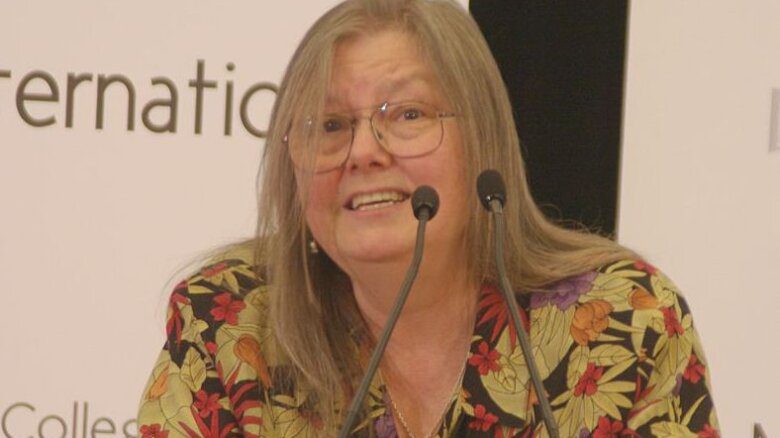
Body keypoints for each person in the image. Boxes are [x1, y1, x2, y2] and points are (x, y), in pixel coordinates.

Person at [137, 0, 719, 436]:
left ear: (483, 141)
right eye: (331, 125)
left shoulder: (624, 322)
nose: (364, 151)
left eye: (407, 113)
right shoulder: (228, 321)